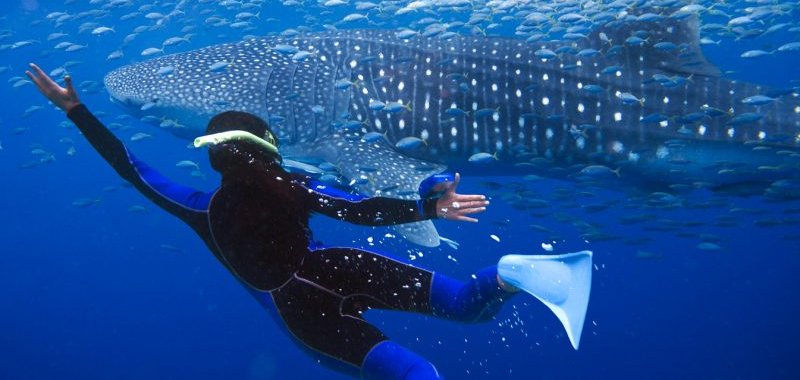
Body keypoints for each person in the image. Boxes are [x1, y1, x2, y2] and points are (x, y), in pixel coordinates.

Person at [26, 62, 593, 379]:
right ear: (268, 145)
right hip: (342, 265)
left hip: (304, 313)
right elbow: (362, 211)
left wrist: (77, 111)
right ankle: (512, 273)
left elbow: (132, 169)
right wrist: (424, 207)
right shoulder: (298, 184)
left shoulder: (201, 208)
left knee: (414, 375)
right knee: (467, 301)